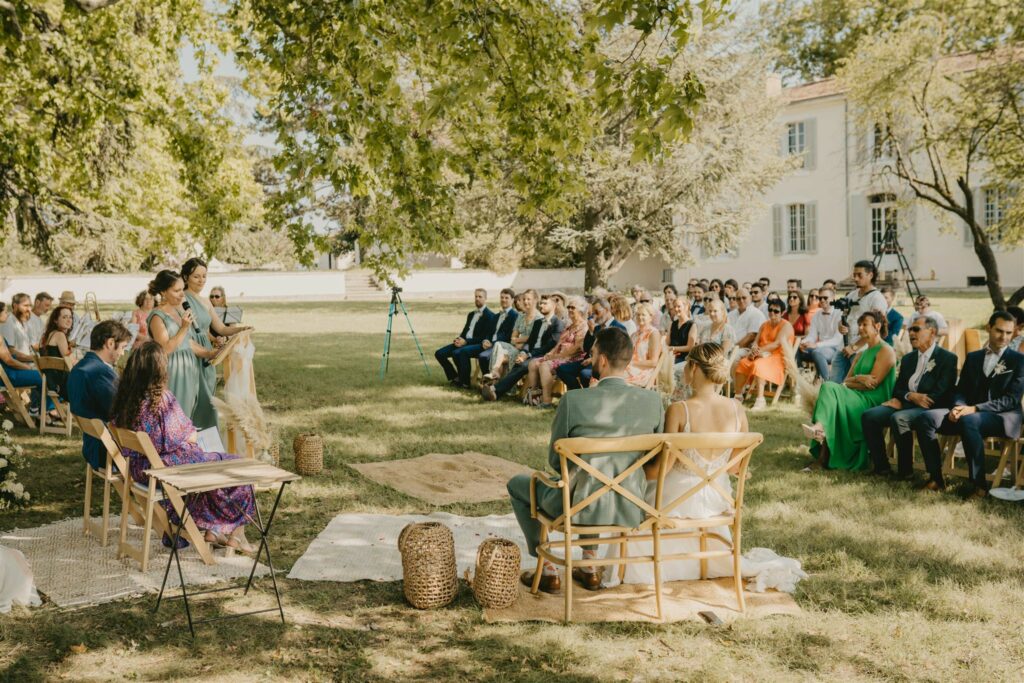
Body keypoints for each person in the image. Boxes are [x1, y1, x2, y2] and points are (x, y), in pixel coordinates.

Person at [508, 327, 664, 593]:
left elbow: (556, 464)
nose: (590, 359)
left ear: (602, 359)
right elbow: (654, 463)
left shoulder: (573, 400)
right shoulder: (653, 402)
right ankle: (589, 565)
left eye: (592, 354)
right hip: (631, 505)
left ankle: (546, 567)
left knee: (518, 484)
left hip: (575, 506)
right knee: (594, 479)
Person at [111, 342, 256, 552]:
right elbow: (181, 436)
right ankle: (236, 534)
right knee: (236, 466)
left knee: (217, 464)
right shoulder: (160, 399)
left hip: (141, 470)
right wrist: (190, 435)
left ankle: (215, 530)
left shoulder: (126, 400)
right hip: (166, 470)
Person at [912, 311, 1024, 497]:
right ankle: (936, 479)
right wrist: (958, 406)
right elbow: (960, 390)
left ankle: (979, 486)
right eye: (999, 331)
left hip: (1003, 417)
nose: (1003, 337)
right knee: (926, 418)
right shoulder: (973, 357)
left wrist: (974, 409)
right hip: (968, 411)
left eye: (1008, 332)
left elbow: (1011, 400)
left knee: (969, 421)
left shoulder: (1019, 361)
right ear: (988, 328)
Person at [861, 317, 957, 479]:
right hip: (908, 403)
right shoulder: (908, 358)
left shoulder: (947, 358)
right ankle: (882, 467)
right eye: (910, 330)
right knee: (869, 416)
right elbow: (898, 388)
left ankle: (905, 472)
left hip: (932, 407)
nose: (911, 333)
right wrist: (909, 396)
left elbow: (942, 392)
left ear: (932, 332)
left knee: (899, 418)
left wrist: (916, 400)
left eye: (916, 329)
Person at [802, 311, 896, 471]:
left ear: (877, 327)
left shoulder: (886, 350)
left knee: (829, 387)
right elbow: (847, 381)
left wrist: (857, 381)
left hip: (873, 401)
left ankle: (820, 431)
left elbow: (872, 383)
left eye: (864, 324)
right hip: (855, 396)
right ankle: (822, 445)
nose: (860, 328)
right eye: (859, 325)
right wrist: (860, 378)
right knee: (831, 390)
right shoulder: (860, 354)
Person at [147, 270, 219, 429]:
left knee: (191, 415)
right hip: (173, 371)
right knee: (175, 418)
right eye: (177, 290)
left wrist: (210, 353)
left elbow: (188, 343)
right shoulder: (157, 316)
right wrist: (184, 327)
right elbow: (165, 349)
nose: (182, 294)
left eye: (182, 289)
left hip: (190, 368)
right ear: (163, 292)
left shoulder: (178, 310)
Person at [181, 258, 253, 404]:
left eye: (204, 276)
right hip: (191, 351)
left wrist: (242, 329)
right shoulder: (182, 299)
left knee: (208, 398)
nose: (202, 280)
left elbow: (221, 328)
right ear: (185, 277)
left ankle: (208, 427)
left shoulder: (206, 302)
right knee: (192, 398)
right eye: (196, 276)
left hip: (208, 353)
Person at [67, 321, 132, 469]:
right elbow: (121, 412)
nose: (122, 353)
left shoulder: (79, 367)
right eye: (122, 347)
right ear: (110, 343)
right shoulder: (99, 373)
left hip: (93, 446)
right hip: (108, 452)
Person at [483, 295, 564, 401]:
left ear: (553, 306)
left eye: (545, 304)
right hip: (531, 353)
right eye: (541, 303)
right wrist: (523, 352)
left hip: (545, 356)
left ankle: (495, 390)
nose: (541, 306)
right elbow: (530, 342)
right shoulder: (538, 322)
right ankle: (496, 390)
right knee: (517, 362)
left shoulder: (558, 324)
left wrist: (528, 355)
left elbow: (550, 345)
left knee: (522, 365)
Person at [524, 297, 589, 408]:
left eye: (573, 307)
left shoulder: (583, 326)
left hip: (573, 358)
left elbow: (577, 348)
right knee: (533, 363)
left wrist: (556, 356)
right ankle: (534, 397)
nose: (569, 309)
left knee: (545, 365)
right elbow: (559, 343)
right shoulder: (569, 325)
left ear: (581, 310)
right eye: (568, 307)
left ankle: (547, 401)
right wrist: (550, 353)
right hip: (559, 356)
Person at [830, 261, 888, 383]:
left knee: (853, 383)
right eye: (854, 275)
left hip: (862, 350)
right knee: (834, 382)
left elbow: (874, 331)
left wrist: (855, 347)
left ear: (870, 275)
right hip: (844, 347)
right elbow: (844, 315)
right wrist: (841, 325)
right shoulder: (852, 295)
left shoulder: (877, 299)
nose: (855, 278)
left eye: (859, 275)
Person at [734, 301, 795, 410]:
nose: (772, 313)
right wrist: (753, 350)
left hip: (778, 356)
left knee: (759, 364)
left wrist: (758, 351)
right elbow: (756, 342)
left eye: (776, 311)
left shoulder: (786, 325)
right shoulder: (764, 324)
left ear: (782, 312)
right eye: (770, 310)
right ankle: (738, 396)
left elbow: (777, 344)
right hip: (761, 353)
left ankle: (760, 400)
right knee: (743, 362)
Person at [555, 297, 623, 391]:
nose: (594, 316)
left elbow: (615, 352)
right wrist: (591, 332)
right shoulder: (597, 327)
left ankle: (590, 396)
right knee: (562, 369)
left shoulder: (618, 327)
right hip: (588, 361)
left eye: (597, 312)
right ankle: (578, 393)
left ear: (607, 310)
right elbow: (586, 348)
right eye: (592, 313)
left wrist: (593, 359)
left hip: (604, 364)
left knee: (585, 374)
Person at [434, 289, 495, 388]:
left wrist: (466, 342)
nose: (477, 299)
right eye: (476, 297)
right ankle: (455, 377)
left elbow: (483, 338)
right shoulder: (471, 314)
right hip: (464, 342)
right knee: (439, 353)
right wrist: (458, 339)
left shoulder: (490, 316)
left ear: (485, 298)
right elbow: (465, 331)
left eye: (480, 297)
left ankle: (465, 382)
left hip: (477, 344)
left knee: (457, 353)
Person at [0, 303, 47, 418]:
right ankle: (42, 411)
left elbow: (10, 353)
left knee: (39, 375)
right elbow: (8, 360)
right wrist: (25, 366)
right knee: (43, 377)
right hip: (8, 375)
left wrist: (28, 359)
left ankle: (36, 409)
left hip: (6, 374)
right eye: (5, 311)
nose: (8, 314)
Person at [485, 289, 537, 383]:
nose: (525, 301)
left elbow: (533, 338)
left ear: (535, 300)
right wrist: (518, 341)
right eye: (524, 299)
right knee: (498, 345)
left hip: (529, 350)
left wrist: (519, 341)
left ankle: (494, 382)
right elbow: (513, 336)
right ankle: (495, 373)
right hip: (517, 347)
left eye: (528, 299)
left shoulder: (539, 318)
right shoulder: (521, 316)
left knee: (502, 356)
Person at [797, 288, 843, 380]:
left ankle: (826, 382)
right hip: (820, 347)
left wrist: (816, 345)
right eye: (820, 298)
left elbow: (837, 340)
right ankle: (799, 380)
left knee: (817, 352)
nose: (822, 300)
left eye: (825, 298)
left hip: (836, 349)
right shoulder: (817, 315)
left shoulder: (840, 314)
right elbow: (812, 335)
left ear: (833, 298)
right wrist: (804, 343)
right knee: (798, 349)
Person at [476, 288, 518, 376]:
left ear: (512, 300)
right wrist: (486, 340)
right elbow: (489, 332)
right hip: (489, 344)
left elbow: (508, 336)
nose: (503, 300)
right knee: (466, 351)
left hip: (502, 346)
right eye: (502, 297)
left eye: (506, 298)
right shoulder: (496, 316)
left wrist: (493, 344)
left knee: (483, 356)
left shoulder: (515, 316)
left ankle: (488, 381)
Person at [38, 305, 76, 401]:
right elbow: (70, 361)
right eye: (64, 317)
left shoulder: (46, 336)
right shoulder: (60, 335)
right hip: (63, 385)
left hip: (51, 382)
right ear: (55, 320)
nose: (69, 320)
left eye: (70, 317)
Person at [623, 303, 662, 387]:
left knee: (615, 380)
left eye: (643, 315)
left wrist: (632, 363)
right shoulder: (634, 335)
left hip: (644, 371)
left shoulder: (653, 333)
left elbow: (653, 362)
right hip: (631, 367)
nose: (640, 317)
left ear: (651, 317)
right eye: (638, 315)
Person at [727, 288, 766, 355]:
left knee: (732, 357)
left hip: (745, 349)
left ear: (750, 298)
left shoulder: (756, 313)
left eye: (744, 298)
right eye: (738, 299)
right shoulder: (731, 314)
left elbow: (751, 336)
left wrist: (733, 348)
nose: (741, 300)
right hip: (729, 346)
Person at [1, 293, 34, 364]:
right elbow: (10, 352)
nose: (29, 309)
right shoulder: (8, 321)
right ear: (15, 306)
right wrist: (34, 358)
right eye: (26, 306)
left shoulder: (23, 322)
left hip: (30, 364)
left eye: (30, 306)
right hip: (20, 367)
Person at [667, 297, 695, 365]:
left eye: (679, 306)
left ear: (686, 307)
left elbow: (690, 347)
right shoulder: (672, 324)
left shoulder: (692, 325)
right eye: (674, 307)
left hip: (683, 358)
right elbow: (667, 342)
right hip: (671, 356)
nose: (676, 309)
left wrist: (673, 348)